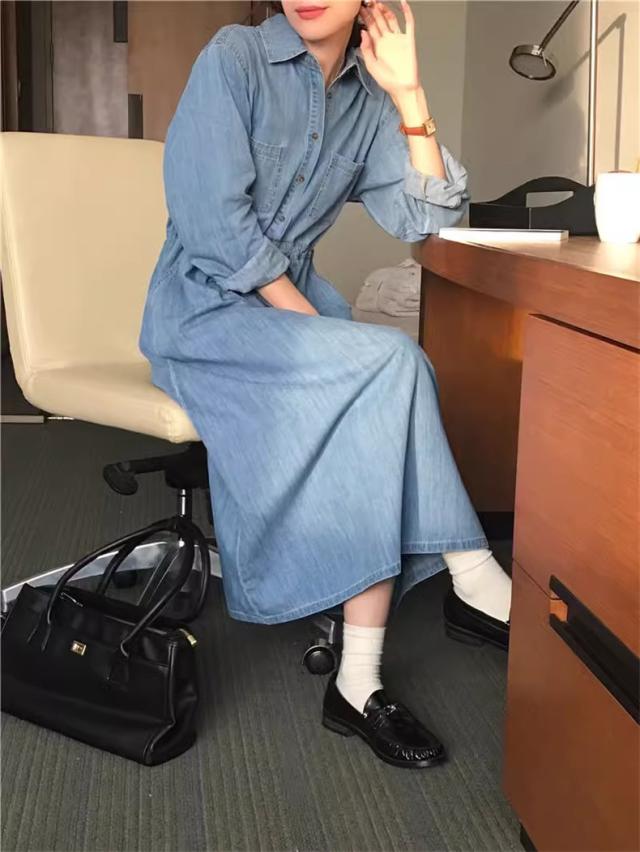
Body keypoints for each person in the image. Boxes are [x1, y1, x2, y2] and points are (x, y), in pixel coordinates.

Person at [138, 0, 512, 769]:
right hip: (204, 316)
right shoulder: (235, 58)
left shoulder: (367, 100)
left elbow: (426, 218)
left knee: (383, 377)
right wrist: (312, 329)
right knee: (388, 364)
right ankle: (471, 577)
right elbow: (212, 224)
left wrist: (409, 95)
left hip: (291, 316)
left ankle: (359, 680)